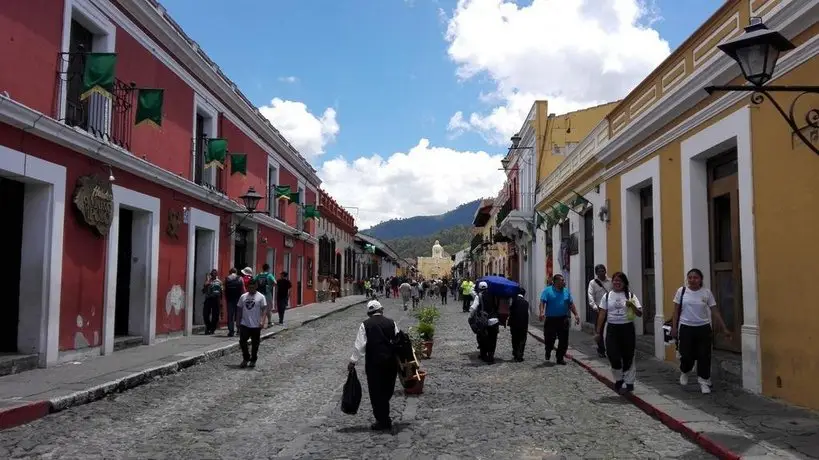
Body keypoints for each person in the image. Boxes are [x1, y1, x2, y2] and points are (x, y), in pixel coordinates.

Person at [671, 268, 732, 394]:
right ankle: (685, 371)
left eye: (695, 278)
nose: (692, 280)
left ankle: (703, 381)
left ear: (700, 279)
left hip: (703, 327)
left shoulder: (706, 293)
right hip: (686, 326)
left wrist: (724, 328)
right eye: (690, 277)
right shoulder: (681, 291)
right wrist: (674, 327)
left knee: (704, 355)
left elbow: (714, 311)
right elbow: (676, 311)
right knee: (686, 354)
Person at [348, 300, 401, 431]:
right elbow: (398, 340)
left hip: (374, 363)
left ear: (369, 313)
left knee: (376, 391)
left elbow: (360, 345)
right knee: (388, 389)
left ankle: (382, 419)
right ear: (381, 310)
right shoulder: (391, 322)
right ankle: (384, 417)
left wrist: (353, 361)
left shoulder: (365, 324)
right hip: (390, 363)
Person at [595, 272, 642, 394]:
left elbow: (639, 313)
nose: (617, 283)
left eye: (620, 281)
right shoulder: (607, 296)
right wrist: (598, 332)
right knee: (612, 354)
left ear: (624, 283)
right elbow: (602, 314)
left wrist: (632, 305)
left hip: (627, 328)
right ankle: (619, 378)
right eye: (615, 280)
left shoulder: (630, 295)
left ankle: (629, 381)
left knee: (629, 355)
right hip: (612, 328)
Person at [538, 274, 580, 365]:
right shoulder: (547, 291)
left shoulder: (566, 291)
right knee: (549, 339)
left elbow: (571, 304)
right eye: (562, 280)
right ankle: (548, 350)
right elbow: (542, 302)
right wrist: (541, 312)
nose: (564, 282)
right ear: (555, 281)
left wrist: (576, 314)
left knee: (564, 340)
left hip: (563, 319)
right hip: (551, 319)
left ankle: (560, 358)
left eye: (563, 280)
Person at [236, 279, 268, 368]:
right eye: (249, 287)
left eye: (253, 287)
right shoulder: (243, 297)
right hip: (244, 323)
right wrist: (238, 321)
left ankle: (253, 359)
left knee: (255, 344)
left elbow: (264, 309)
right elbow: (239, 309)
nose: (251, 289)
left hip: (256, 324)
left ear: (256, 286)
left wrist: (263, 320)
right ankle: (246, 358)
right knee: (242, 341)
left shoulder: (261, 297)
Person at [469, 281, 499, 363]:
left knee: (482, 338)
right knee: (493, 339)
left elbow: (473, 308)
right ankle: (491, 357)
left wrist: (471, 316)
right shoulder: (494, 295)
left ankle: (483, 355)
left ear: (479, 288)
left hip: (483, 321)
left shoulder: (478, 296)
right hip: (494, 320)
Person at [587, 264, 612, 358]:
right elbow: (590, 295)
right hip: (598, 309)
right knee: (599, 330)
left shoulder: (610, 281)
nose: (601, 272)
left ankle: (611, 348)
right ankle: (601, 349)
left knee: (610, 329)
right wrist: (594, 307)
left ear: (605, 271)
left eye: (603, 270)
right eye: (599, 271)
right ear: (596, 273)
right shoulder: (592, 283)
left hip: (610, 308)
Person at [507, 288, 530, 362]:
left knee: (514, 339)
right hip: (523, 324)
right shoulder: (526, 303)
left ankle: (515, 353)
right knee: (522, 340)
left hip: (514, 324)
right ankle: (520, 355)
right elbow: (527, 314)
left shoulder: (514, 301)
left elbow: (510, 310)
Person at [224, 268, 245, 337]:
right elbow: (243, 289)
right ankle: (239, 330)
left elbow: (224, 290)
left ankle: (231, 331)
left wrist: (226, 298)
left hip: (230, 300)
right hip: (238, 299)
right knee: (239, 315)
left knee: (230, 316)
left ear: (229, 272)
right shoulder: (240, 278)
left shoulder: (227, 278)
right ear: (236, 272)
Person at [255, 264, 276, 328]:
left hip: (259, 294)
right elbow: (275, 282)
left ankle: (260, 322)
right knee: (268, 309)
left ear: (262, 268)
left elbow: (254, 281)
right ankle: (269, 322)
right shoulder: (269, 275)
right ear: (268, 268)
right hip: (267, 294)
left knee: (260, 309)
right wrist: (270, 287)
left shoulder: (258, 275)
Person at [202, 269, 223, 335]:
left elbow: (221, 291)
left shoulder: (219, 282)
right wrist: (206, 284)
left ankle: (212, 329)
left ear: (216, 274)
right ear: (211, 274)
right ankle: (208, 326)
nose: (213, 274)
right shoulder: (207, 281)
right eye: (212, 273)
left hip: (216, 299)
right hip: (208, 299)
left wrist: (221, 301)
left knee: (215, 315)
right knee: (205, 314)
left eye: (215, 273)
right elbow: (203, 291)